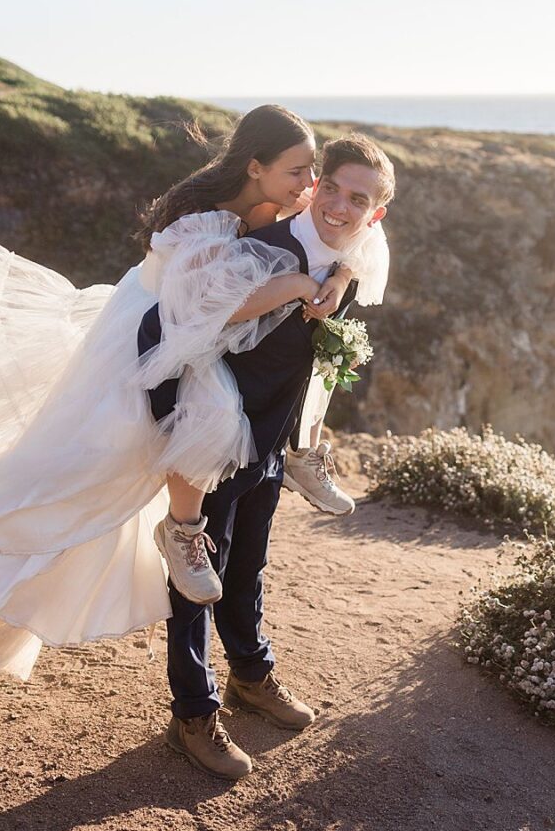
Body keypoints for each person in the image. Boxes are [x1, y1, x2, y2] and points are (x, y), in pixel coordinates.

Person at [0, 106, 388, 697]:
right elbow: (209, 307)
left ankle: (245, 662)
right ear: (256, 168)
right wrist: (307, 284)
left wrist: (337, 278)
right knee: (76, 497)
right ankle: (186, 688)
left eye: (318, 176)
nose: (314, 190)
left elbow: (359, 235)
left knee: (214, 541)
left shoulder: (305, 215)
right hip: (155, 360)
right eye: (306, 175)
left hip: (227, 386)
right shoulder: (222, 228)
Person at [141, 134, 396, 780]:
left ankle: (250, 676)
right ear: (316, 184)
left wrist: (337, 276)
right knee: (197, 578)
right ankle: (192, 713)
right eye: (330, 187)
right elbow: (193, 322)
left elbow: (348, 261)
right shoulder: (267, 251)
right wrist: (301, 283)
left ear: (376, 212)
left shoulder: (354, 250)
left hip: (271, 442)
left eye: (357, 198)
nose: (339, 205)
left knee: (249, 568)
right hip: (217, 441)